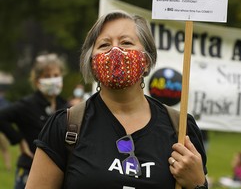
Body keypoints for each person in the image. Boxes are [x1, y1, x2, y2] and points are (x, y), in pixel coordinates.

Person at [26, 11, 208, 189]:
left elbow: (197, 183)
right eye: (104, 45)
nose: (115, 51)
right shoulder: (65, 126)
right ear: (92, 63)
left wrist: (198, 184)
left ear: (146, 61)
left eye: (126, 43)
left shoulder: (181, 128)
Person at [0, 53, 68, 189]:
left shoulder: (66, 106)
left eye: (56, 76)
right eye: (47, 76)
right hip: (29, 170)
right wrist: (19, 140)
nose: (53, 80)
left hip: (59, 173)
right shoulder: (27, 105)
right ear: (37, 81)